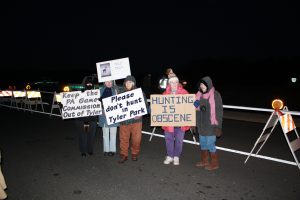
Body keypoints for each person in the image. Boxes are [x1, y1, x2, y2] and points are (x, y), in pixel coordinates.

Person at [193, 76, 223, 170]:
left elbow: (219, 111)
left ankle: (214, 163)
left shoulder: (215, 95)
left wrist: (218, 127)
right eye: (201, 84)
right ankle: (204, 161)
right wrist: (193, 123)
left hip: (211, 125)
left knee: (210, 144)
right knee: (203, 143)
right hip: (201, 125)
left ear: (208, 85)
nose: (202, 86)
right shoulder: (198, 96)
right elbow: (195, 109)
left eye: (204, 84)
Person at [162, 74, 190, 165]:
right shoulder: (165, 94)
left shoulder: (184, 92)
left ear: (178, 83)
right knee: (168, 140)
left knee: (179, 141)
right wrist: (153, 108)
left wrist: (198, 106)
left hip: (180, 123)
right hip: (168, 123)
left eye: (175, 82)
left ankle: (176, 156)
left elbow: (193, 101)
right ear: (169, 84)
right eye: (172, 82)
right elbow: (159, 106)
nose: (174, 84)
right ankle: (170, 156)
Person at [118, 75, 147, 163]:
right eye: (127, 82)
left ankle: (135, 153)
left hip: (136, 121)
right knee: (123, 138)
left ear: (133, 83)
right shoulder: (120, 93)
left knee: (136, 139)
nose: (128, 84)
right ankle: (124, 155)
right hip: (124, 121)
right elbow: (116, 107)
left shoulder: (140, 93)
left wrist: (140, 113)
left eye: (130, 82)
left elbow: (145, 105)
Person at [75, 77, 98, 157]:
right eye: (87, 83)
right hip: (84, 120)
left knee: (91, 135)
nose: (89, 84)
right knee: (84, 135)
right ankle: (83, 151)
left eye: (90, 83)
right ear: (85, 84)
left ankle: (90, 150)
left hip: (92, 119)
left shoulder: (96, 94)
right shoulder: (80, 93)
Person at [98, 80, 119, 157]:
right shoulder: (100, 91)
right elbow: (96, 103)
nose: (109, 83)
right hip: (103, 116)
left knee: (113, 134)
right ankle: (106, 150)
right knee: (105, 134)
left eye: (110, 82)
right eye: (107, 82)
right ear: (104, 82)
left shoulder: (116, 90)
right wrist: (101, 110)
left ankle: (112, 150)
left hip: (113, 116)